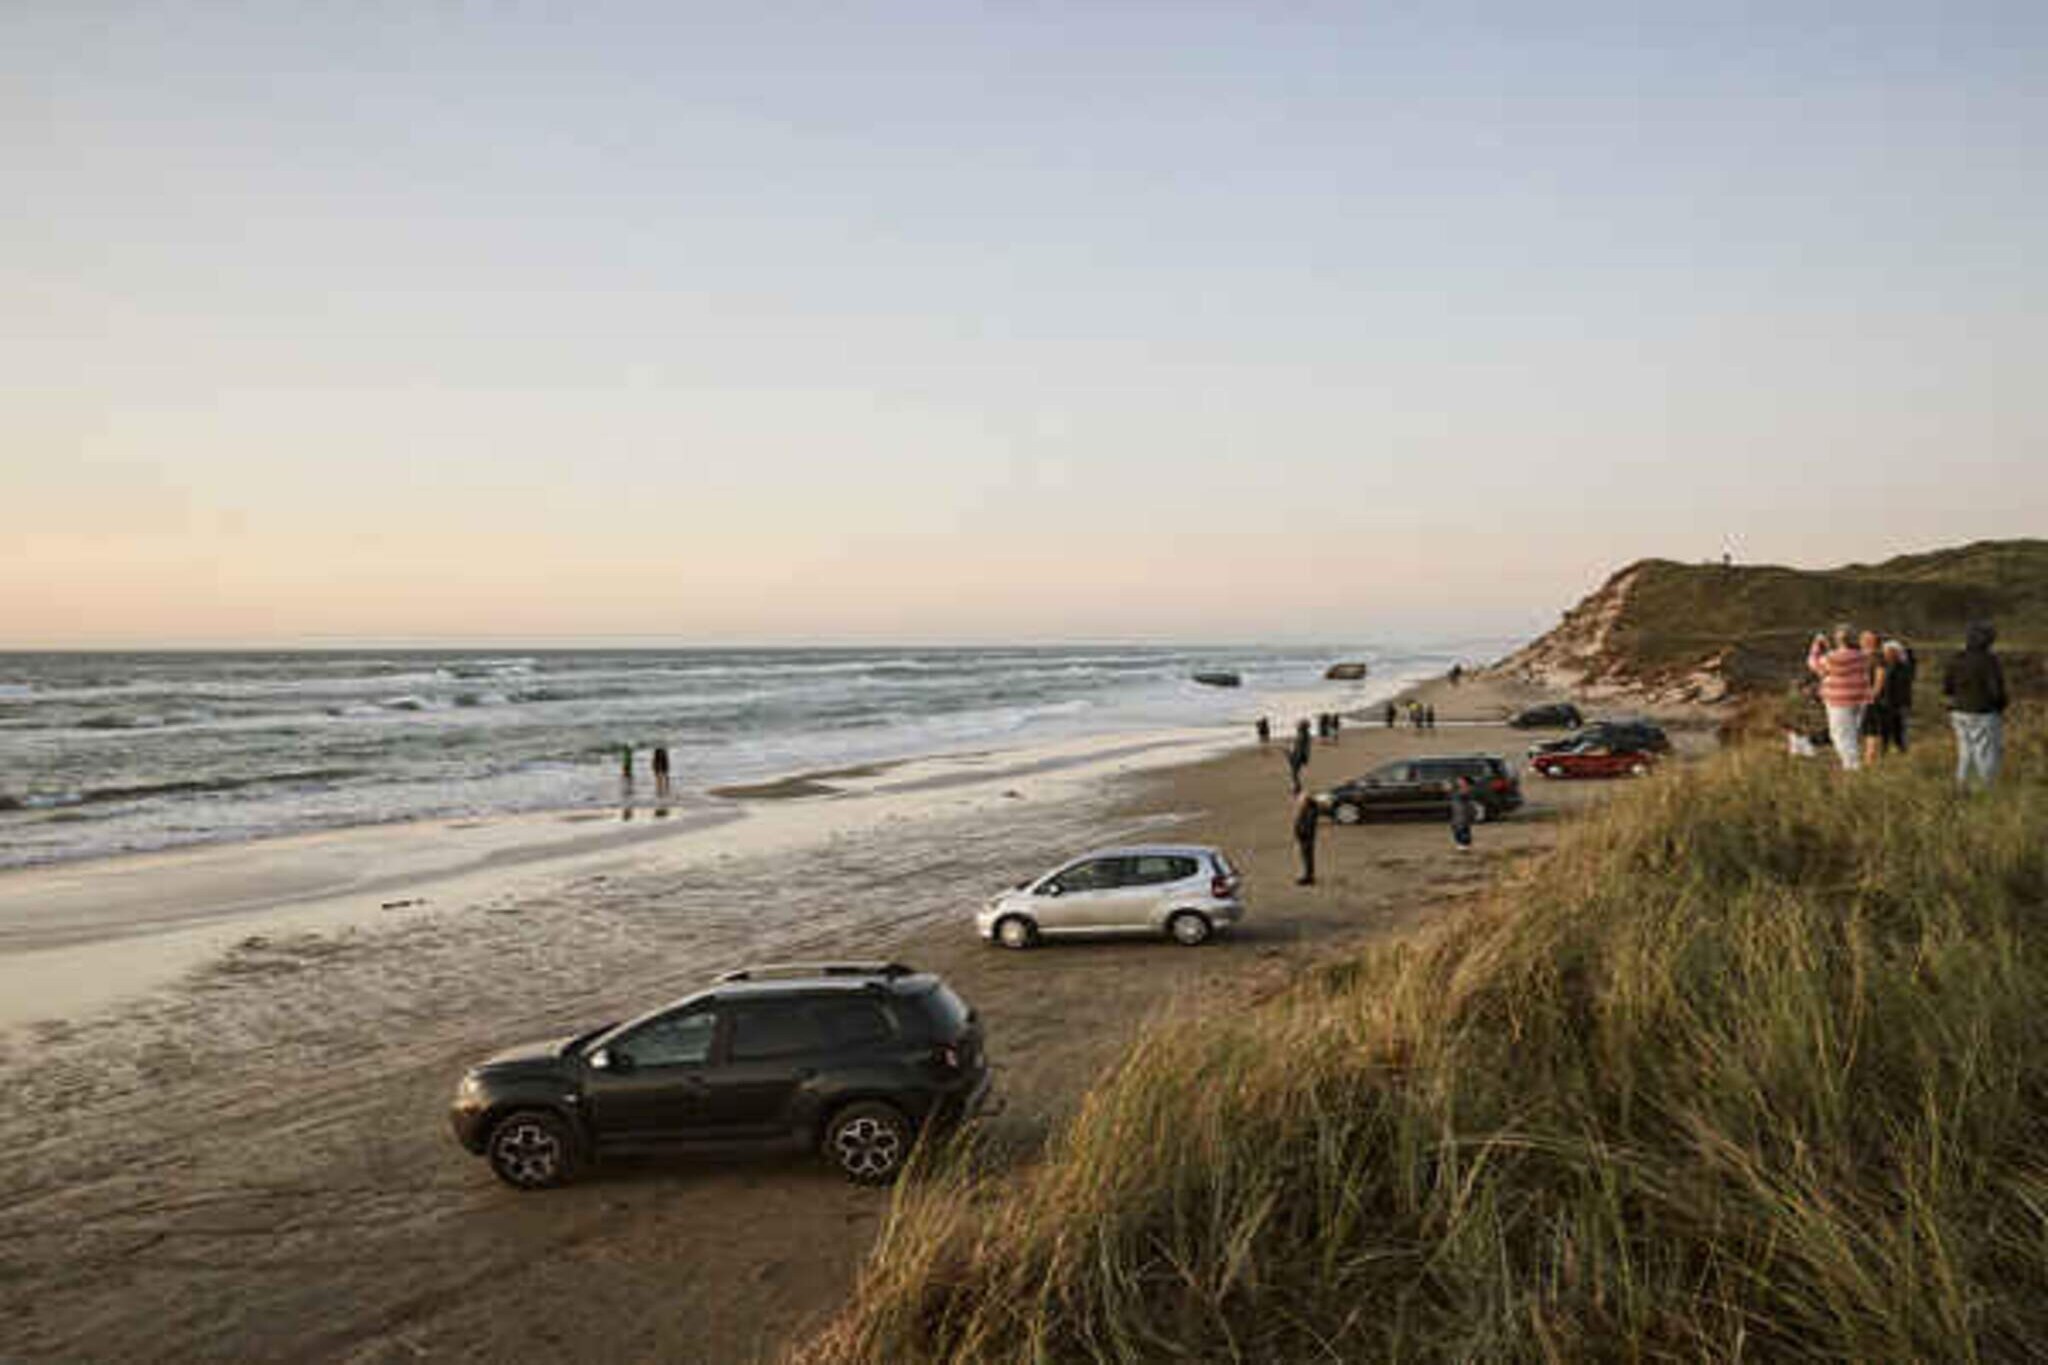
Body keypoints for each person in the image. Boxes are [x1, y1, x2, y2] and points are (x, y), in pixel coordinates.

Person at [1942, 622, 2008, 790]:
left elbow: (1947, 687)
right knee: (1985, 752)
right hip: (1984, 711)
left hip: (1958, 711)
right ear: (1988, 641)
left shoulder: (1956, 658)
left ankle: (1962, 786)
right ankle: (1985, 790)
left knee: (1965, 751)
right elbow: (1996, 690)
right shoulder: (1989, 660)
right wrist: (2001, 706)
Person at [1806, 626, 1874, 770]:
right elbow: (1862, 652)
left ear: (1838, 640)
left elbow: (1814, 664)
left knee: (1841, 734)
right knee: (1852, 734)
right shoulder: (1863, 656)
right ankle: (1852, 764)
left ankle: (1852, 767)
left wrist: (1816, 645)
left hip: (1839, 700)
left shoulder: (1832, 658)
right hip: (1860, 698)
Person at [1857, 630, 1889, 767]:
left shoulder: (1878, 658)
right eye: (1862, 639)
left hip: (1869, 700)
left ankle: (1869, 763)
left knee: (1871, 732)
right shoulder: (1858, 656)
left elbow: (1879, 680)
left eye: (1866, 639)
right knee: (1864, 732)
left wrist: (1872, 696)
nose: (1862, 641)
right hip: (1856, 699)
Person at [1877, 640, 1915, 754]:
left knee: (1899, 731)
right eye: (1885, 652)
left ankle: (1899, 750)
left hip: (1898, 704)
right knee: (1886, 731)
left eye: (1889, 652)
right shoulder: (1887, 666)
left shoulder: (1903, 667)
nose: (1886, 654)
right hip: (1888, 703)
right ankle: (1886, 750)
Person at [1292, 791, 1320, 885]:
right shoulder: (1307, 809)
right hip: (1305, 838)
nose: (1299, 802)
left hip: (1307, 839)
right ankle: (1307, 875)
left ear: (1306, 801)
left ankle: (1308, 877)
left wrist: (1301, 835)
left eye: (1301, 801)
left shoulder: (1310, 811)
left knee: (1307, 858)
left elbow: (1308, 826)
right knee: (1306, 858)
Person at [1448, 775, 1477, 852]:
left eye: (1461, 781)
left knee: (1463, 829)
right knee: (1456, 828)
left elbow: (1469, 801)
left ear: (1465, 782)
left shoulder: (1468, 790)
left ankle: (1464, 845)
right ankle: (1461, 844)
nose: (1458, 782)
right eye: (1459, 780)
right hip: (1456, 813)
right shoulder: (1458, 790)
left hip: (1463, 813)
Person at [1287, 720, 1311, 793]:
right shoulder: (1305, 735)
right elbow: (1304, 748)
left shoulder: (1302, 736)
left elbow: (1299, 748)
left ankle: (1297, 788)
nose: (1297, 727)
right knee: (1294, 773)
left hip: (1297, 756)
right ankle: (1297, 787)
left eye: (1298, 726)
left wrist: (1292, 755)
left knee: (1294, 773)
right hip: (1298, 756)